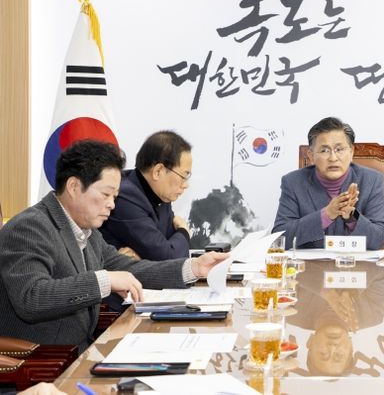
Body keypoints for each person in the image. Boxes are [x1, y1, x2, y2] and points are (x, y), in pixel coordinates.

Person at [0, 140, 229, 353]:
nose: (111, 205)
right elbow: (32, 297)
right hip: (42, 364)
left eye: (115, 196)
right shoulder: (30, 227)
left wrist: (193, 268)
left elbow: (130, 269)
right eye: (106, 194)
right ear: (73, 186)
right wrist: (104, 280)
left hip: (80, 353)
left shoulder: (87, 231)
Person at [273, 117, 384, 250]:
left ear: (351, 152)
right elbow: (279, 238)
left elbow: (378, 240)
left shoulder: (372, 181)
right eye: (324, 151)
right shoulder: (293, 182)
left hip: (356, 263)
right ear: (311, 156)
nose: (333, 158)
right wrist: (326, 215)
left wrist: (352, 217)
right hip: (308, 263)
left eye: (339, 149)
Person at [100, 130, 193, 261]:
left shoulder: (160, 195)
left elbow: (169, 250)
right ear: (158, 171)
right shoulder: (125, 198)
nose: (186, 185)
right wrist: (184, 231)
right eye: (183, 176)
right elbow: (169, 258)